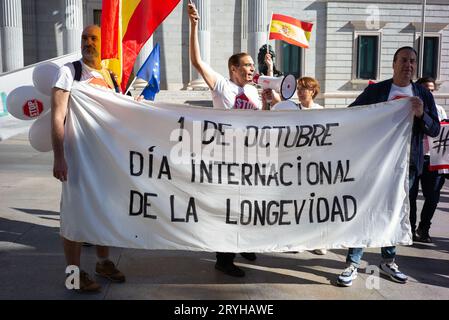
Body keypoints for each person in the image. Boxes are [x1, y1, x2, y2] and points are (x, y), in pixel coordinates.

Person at [336, 46, 440, 287]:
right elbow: (353, 115)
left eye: (413, 61)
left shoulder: (423, 95)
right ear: (393, 63)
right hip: (375, 163)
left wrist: (422, 115)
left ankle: (388, 260)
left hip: (407, 166)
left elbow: (434, 129)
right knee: (364, 210)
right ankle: (353, 262)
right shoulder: (377, 91)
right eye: (403, 60)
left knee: (395, 212)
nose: (409, 65)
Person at [188, 2, 277, 277]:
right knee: (227, 207)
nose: (252, 69)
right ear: (234, 68)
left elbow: (261, 118)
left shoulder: (252, 91)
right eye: (248, 65)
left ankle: (243, 244)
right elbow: (197, 62)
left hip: (250, 156)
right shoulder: (222, 85)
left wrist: (266, 104)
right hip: (225, 156)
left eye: (253, 65)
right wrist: (193, 26)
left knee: (249, 203)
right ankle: (223, 258)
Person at [52, 25, 126, 292]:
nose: (88, 42)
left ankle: (103, 263)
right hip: (77, 159)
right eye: (85, 38)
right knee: (73, 216)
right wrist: (59, 157)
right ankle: (73, 276)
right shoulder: (69, 72)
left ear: (103, 43)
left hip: (105, 160)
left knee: (104, 211)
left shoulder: (110, 76)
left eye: (94, 38)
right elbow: (57, 116)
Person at [410, 77, 447, 243]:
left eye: (431, 89)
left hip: (433, 159)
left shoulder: (439, 110)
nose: (429, 92)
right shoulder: (409, 107)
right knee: (409, 197)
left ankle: (424, 228)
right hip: (412, 158)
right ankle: (409, 229)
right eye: (425, 88)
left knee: (432, 197)